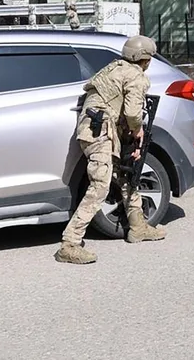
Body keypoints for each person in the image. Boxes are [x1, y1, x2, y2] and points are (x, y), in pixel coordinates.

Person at [55, 35, 167, 264]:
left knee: (125, 175)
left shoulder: (112, 68)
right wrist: (137, 132)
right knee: (100, 186)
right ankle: (69, 243)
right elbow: (134, 113)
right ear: (145, 59)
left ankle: (137, 226)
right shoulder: (136, 75)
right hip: (101, 133)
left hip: (97, 130)